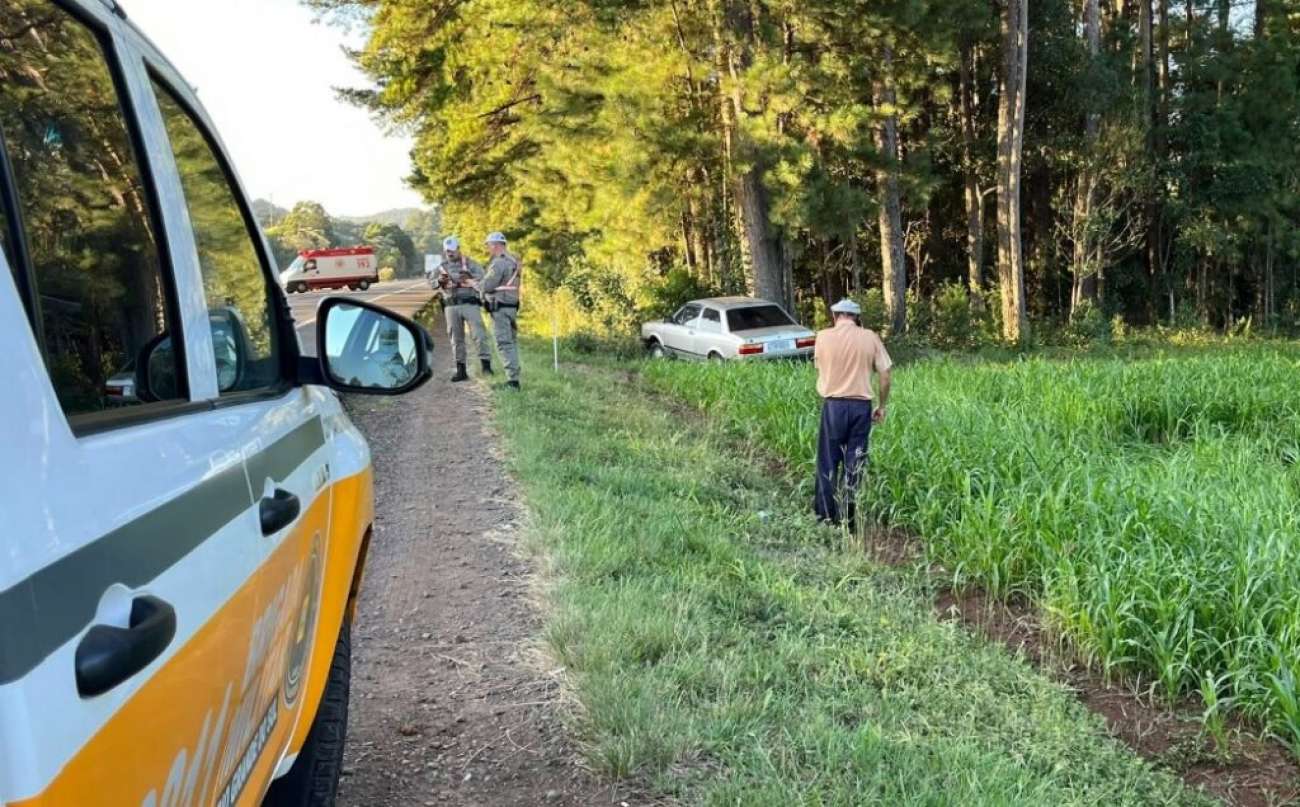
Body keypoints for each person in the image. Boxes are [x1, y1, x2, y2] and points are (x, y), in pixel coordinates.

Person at [813, 298, 892, 530]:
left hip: (834, 406)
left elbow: (820, 368)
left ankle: (825, 517)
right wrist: (882, 405)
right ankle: (849, 519)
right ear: (856, 317)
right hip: (861, 408)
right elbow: (885, 373)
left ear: (835, 316)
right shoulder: (870, 337)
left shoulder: (822, 337)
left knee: (828, 461)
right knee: (854, 462)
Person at [436, 236, 493, 382]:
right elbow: (431, 282)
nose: (450, 253)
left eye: (453, 250)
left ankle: (486, 366)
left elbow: (483, 279)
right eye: (447, 251)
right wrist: (439, 281)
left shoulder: (471, 264)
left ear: (459, 249)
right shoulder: (441, 267)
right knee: (456, 338)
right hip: (451, 305)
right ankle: (461, 370)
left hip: (470, 304)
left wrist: (469, 278)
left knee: (479, 335)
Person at [480, 231, 522, 389]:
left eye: (489, 245)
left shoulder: (499, 263)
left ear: (496, 245)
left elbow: (488, 285)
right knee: (511, 342)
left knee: (504, 343)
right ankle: (514, 376)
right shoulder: (514, 261)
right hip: (511, 307)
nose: (488, 248)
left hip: (501, 309)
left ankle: (513, 382)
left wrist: (477, 284)